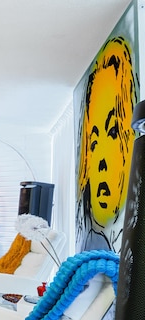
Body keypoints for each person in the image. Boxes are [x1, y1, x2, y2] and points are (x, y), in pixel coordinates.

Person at [76, 36, 136, 253]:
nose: (100, 161)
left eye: (112, 132)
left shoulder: (133, 245)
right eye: (93, 143)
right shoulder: (91, 245)